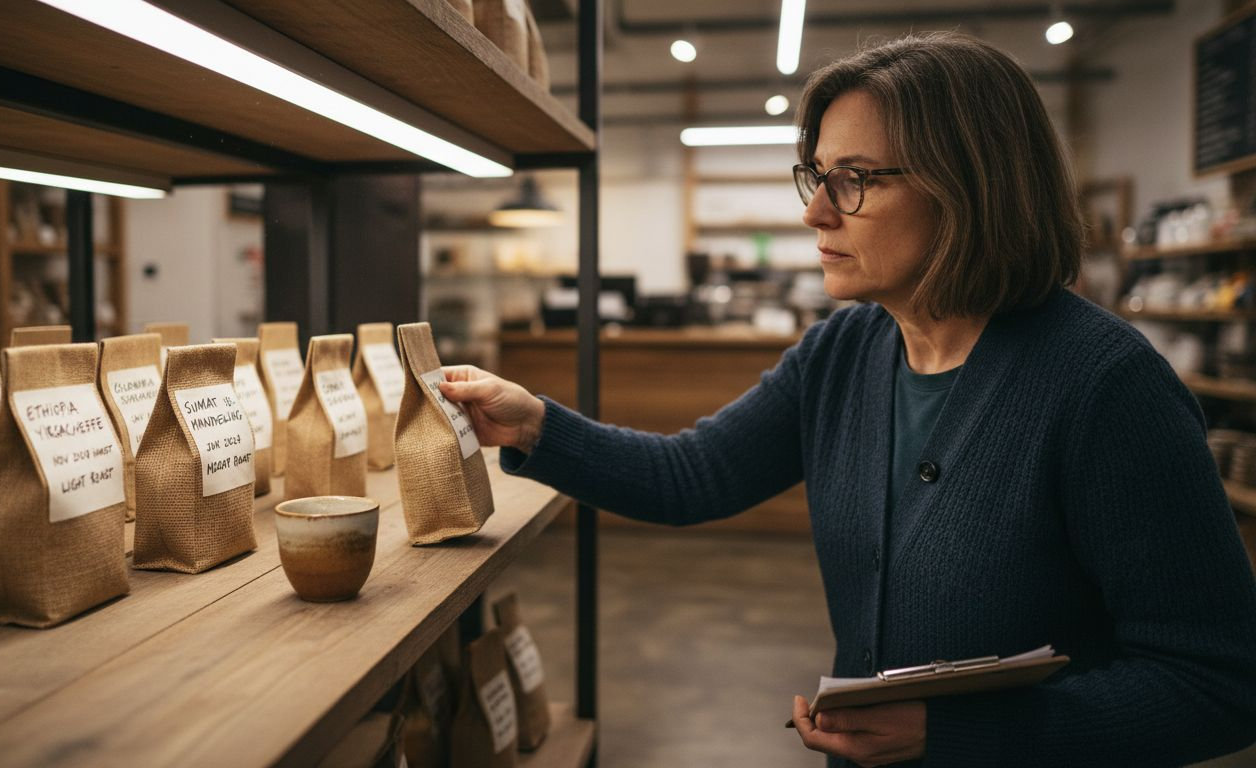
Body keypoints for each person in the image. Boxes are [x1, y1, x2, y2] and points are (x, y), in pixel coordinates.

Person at [439, 32, 1256, 768]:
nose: (814, 211)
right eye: (818, 176)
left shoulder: (1106, 388)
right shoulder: (846, 351)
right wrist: (538, 424)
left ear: (968, 187)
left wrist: (959, 736)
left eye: (855, 180)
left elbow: (1218, 685)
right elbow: (693, 475)